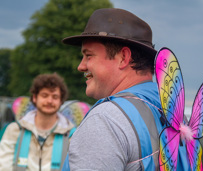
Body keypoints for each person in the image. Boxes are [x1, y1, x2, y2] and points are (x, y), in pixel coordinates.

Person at [62, 8, 191, 170]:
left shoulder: (106, 119)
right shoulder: (173, 115)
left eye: (89, 55)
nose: (80, 66)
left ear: (123, 57)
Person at [0, 73, 75, 171]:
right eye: (45, 95)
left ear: (61, 101)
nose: (49, 101)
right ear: (35, 98)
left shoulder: (71, 136)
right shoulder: (15, 130)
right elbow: (4, 166)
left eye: (55, 97)